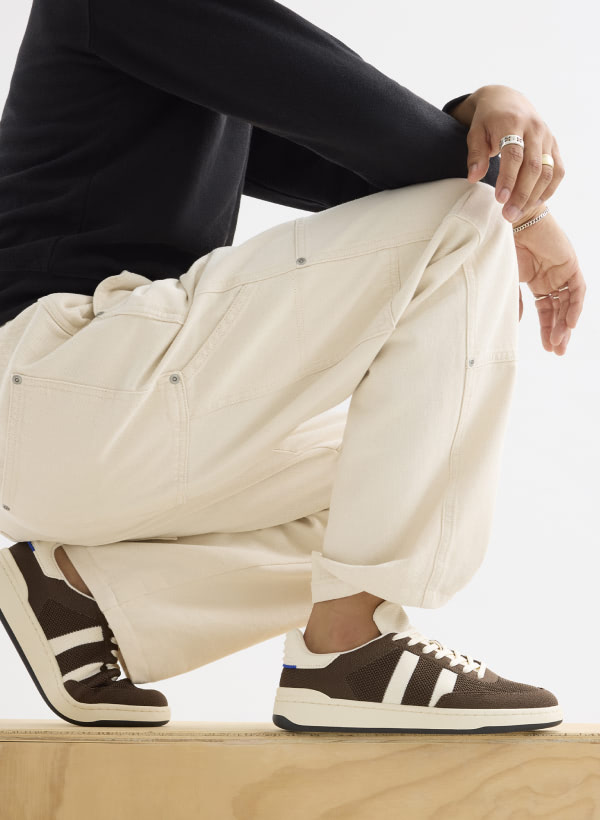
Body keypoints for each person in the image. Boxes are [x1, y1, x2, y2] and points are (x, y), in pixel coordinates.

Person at [0, 0, 585, 733]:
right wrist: (514, 187)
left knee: (409, 468)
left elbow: (354, 158)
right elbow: (365, 125)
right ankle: (349, 652)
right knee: (463, 229)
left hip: (89, 414)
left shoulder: (186, 50)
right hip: (65, 371)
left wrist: (484, 125)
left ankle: (87, 597)